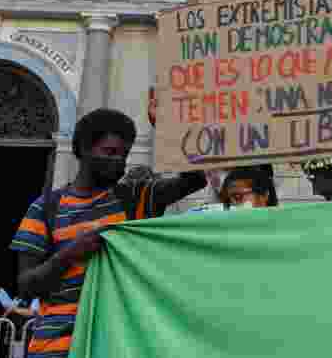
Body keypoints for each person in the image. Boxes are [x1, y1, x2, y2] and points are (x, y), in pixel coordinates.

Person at [10, 108, 206, 358]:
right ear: (83, 150)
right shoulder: (45, 207)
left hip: (117, 344)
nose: (120, 161)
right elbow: (26, 286)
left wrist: (169, 128)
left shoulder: (134, 198)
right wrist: (69, 254)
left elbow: (196, 179)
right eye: (110, 152)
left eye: (124, 154)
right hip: (57, 348)